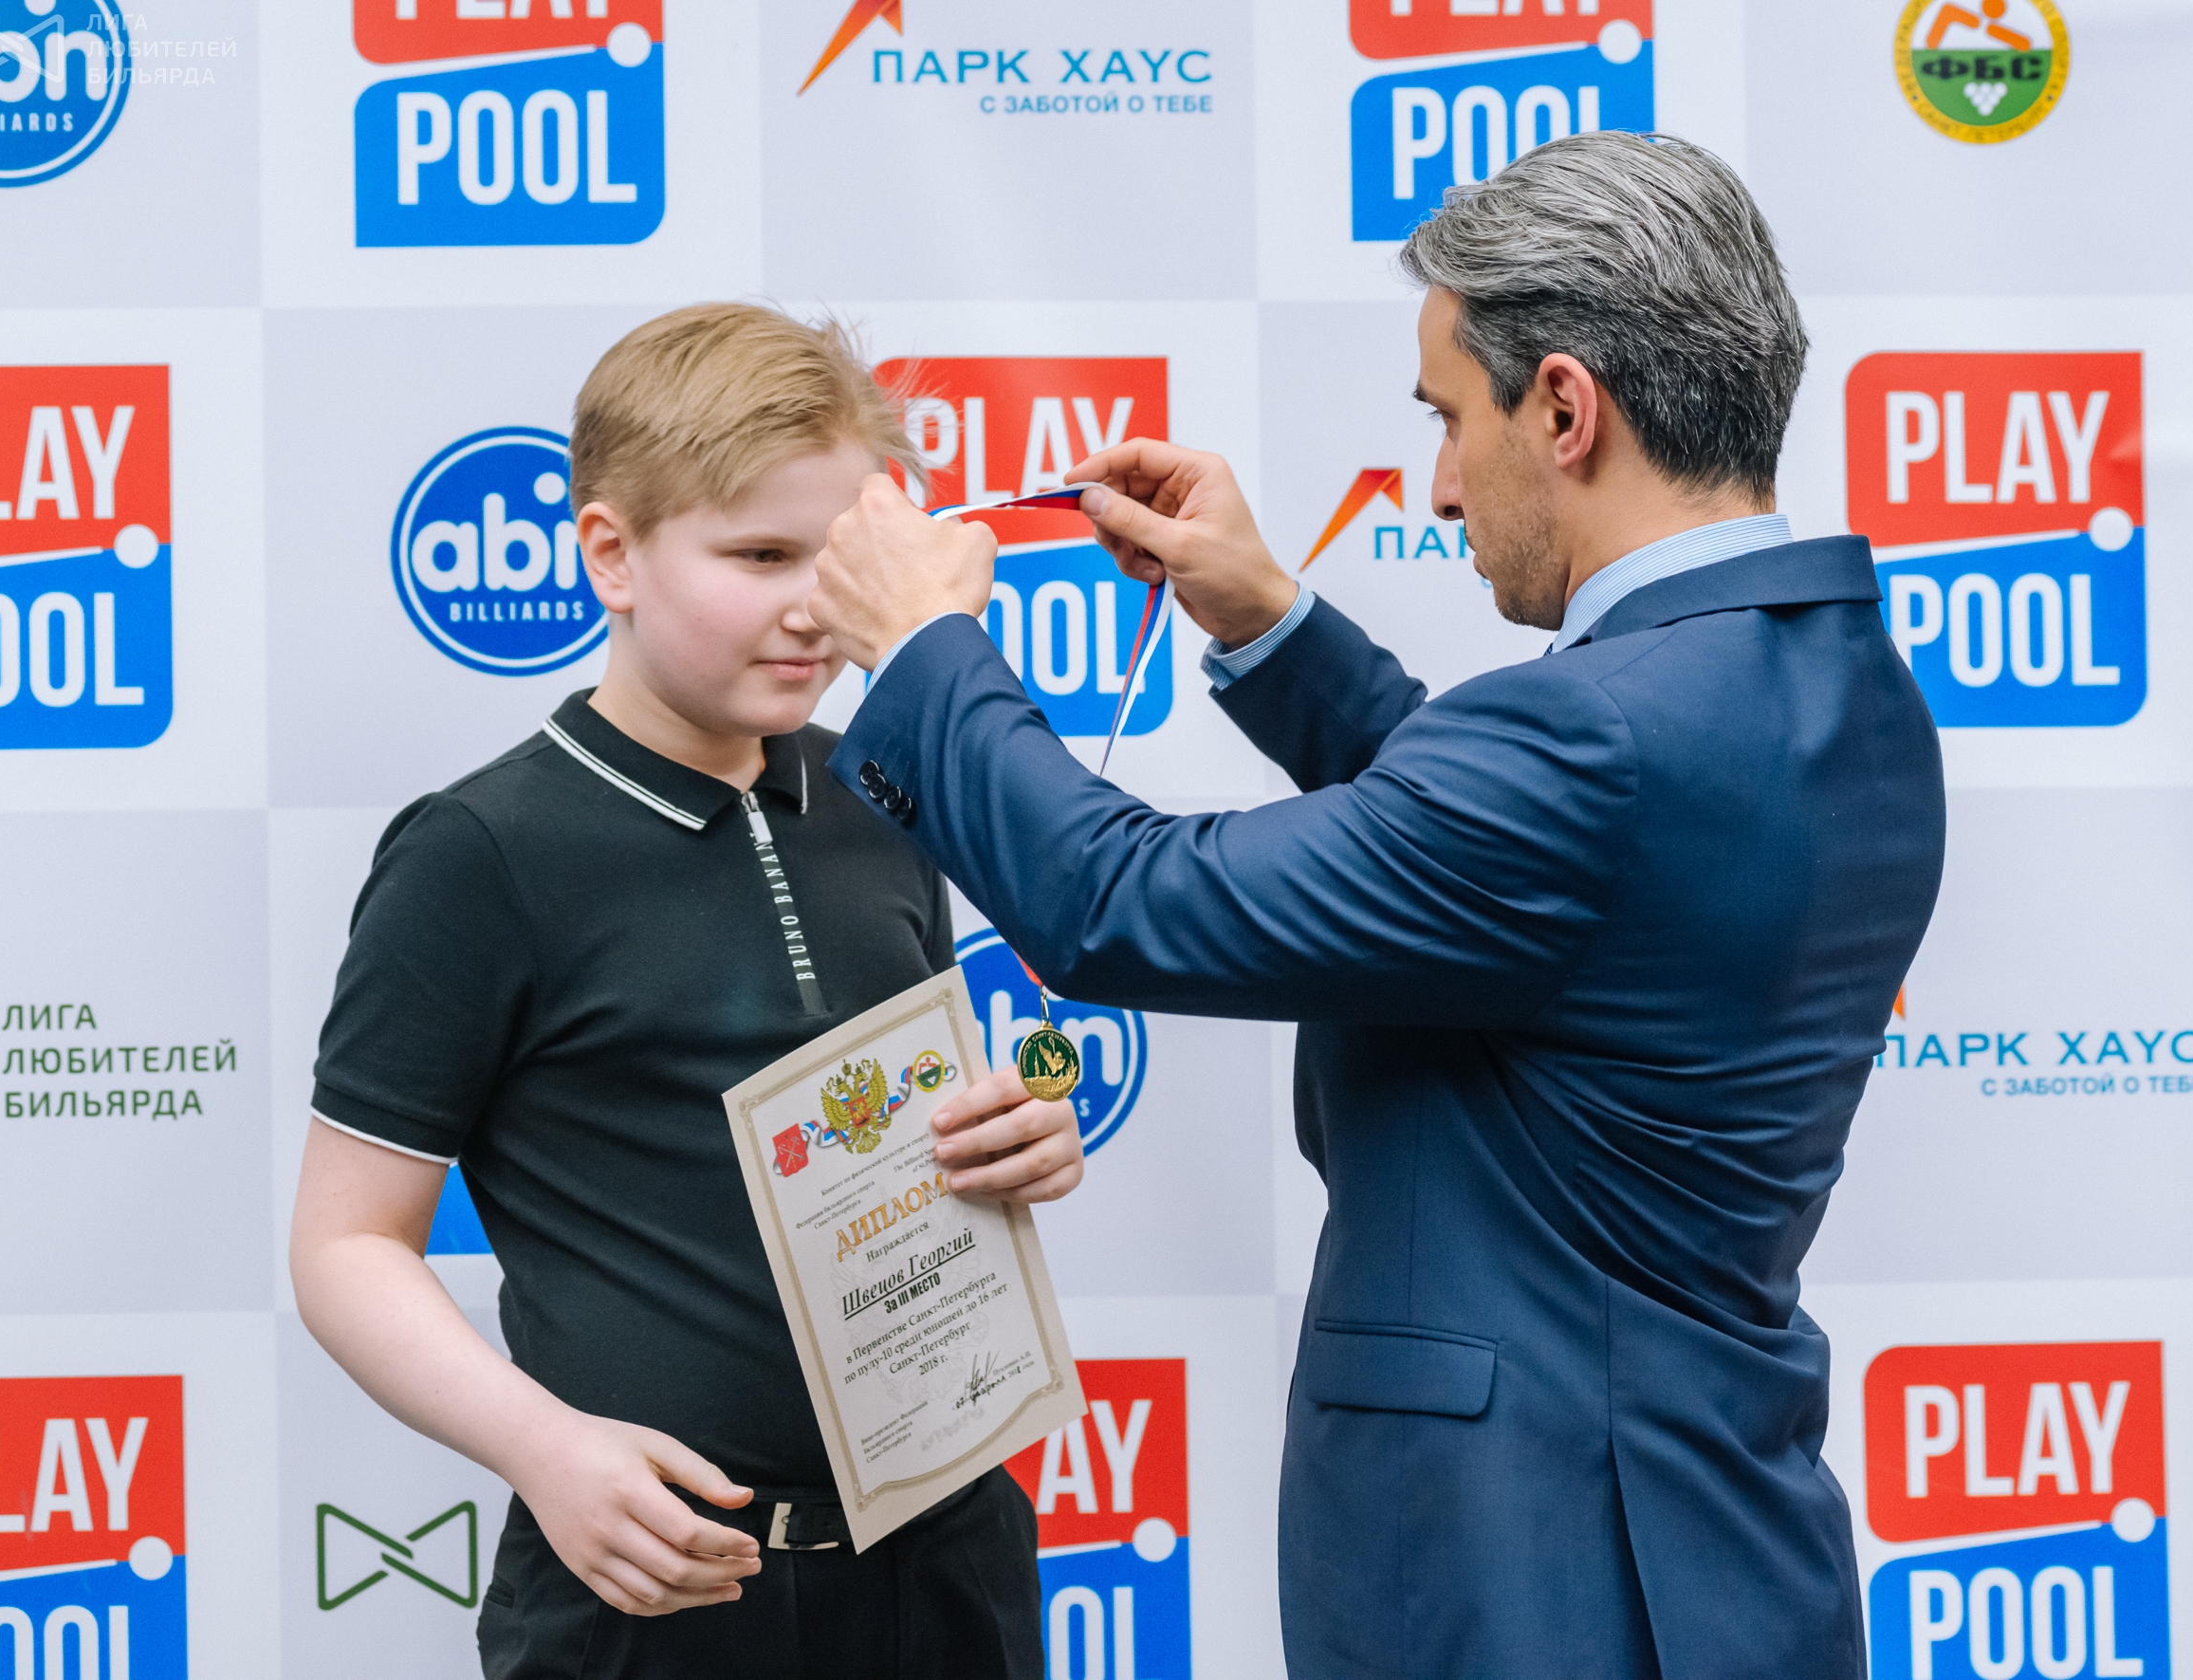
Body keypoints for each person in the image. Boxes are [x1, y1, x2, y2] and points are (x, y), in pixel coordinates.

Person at [806, 134, 1945, 1676]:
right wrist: (1267, 619)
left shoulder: (1592, 742)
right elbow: (1523, 879)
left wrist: (925, 651)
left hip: (1534, 1586)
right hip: (1718, 1555)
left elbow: (1114, 900)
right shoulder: (1844, 688)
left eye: (1449, 419)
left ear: (1565, 408)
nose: (1438, 487)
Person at [288, 304, 1082, 1680]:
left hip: (952, 1559)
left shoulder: (888, 787)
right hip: (662, 1589)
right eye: (759, 556)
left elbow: (896, 1136)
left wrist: (1014, 1144)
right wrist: (544, 1448)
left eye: (839, 556)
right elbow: (346, 1246)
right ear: (611, 553)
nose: (812, 606)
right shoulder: (482, 851)